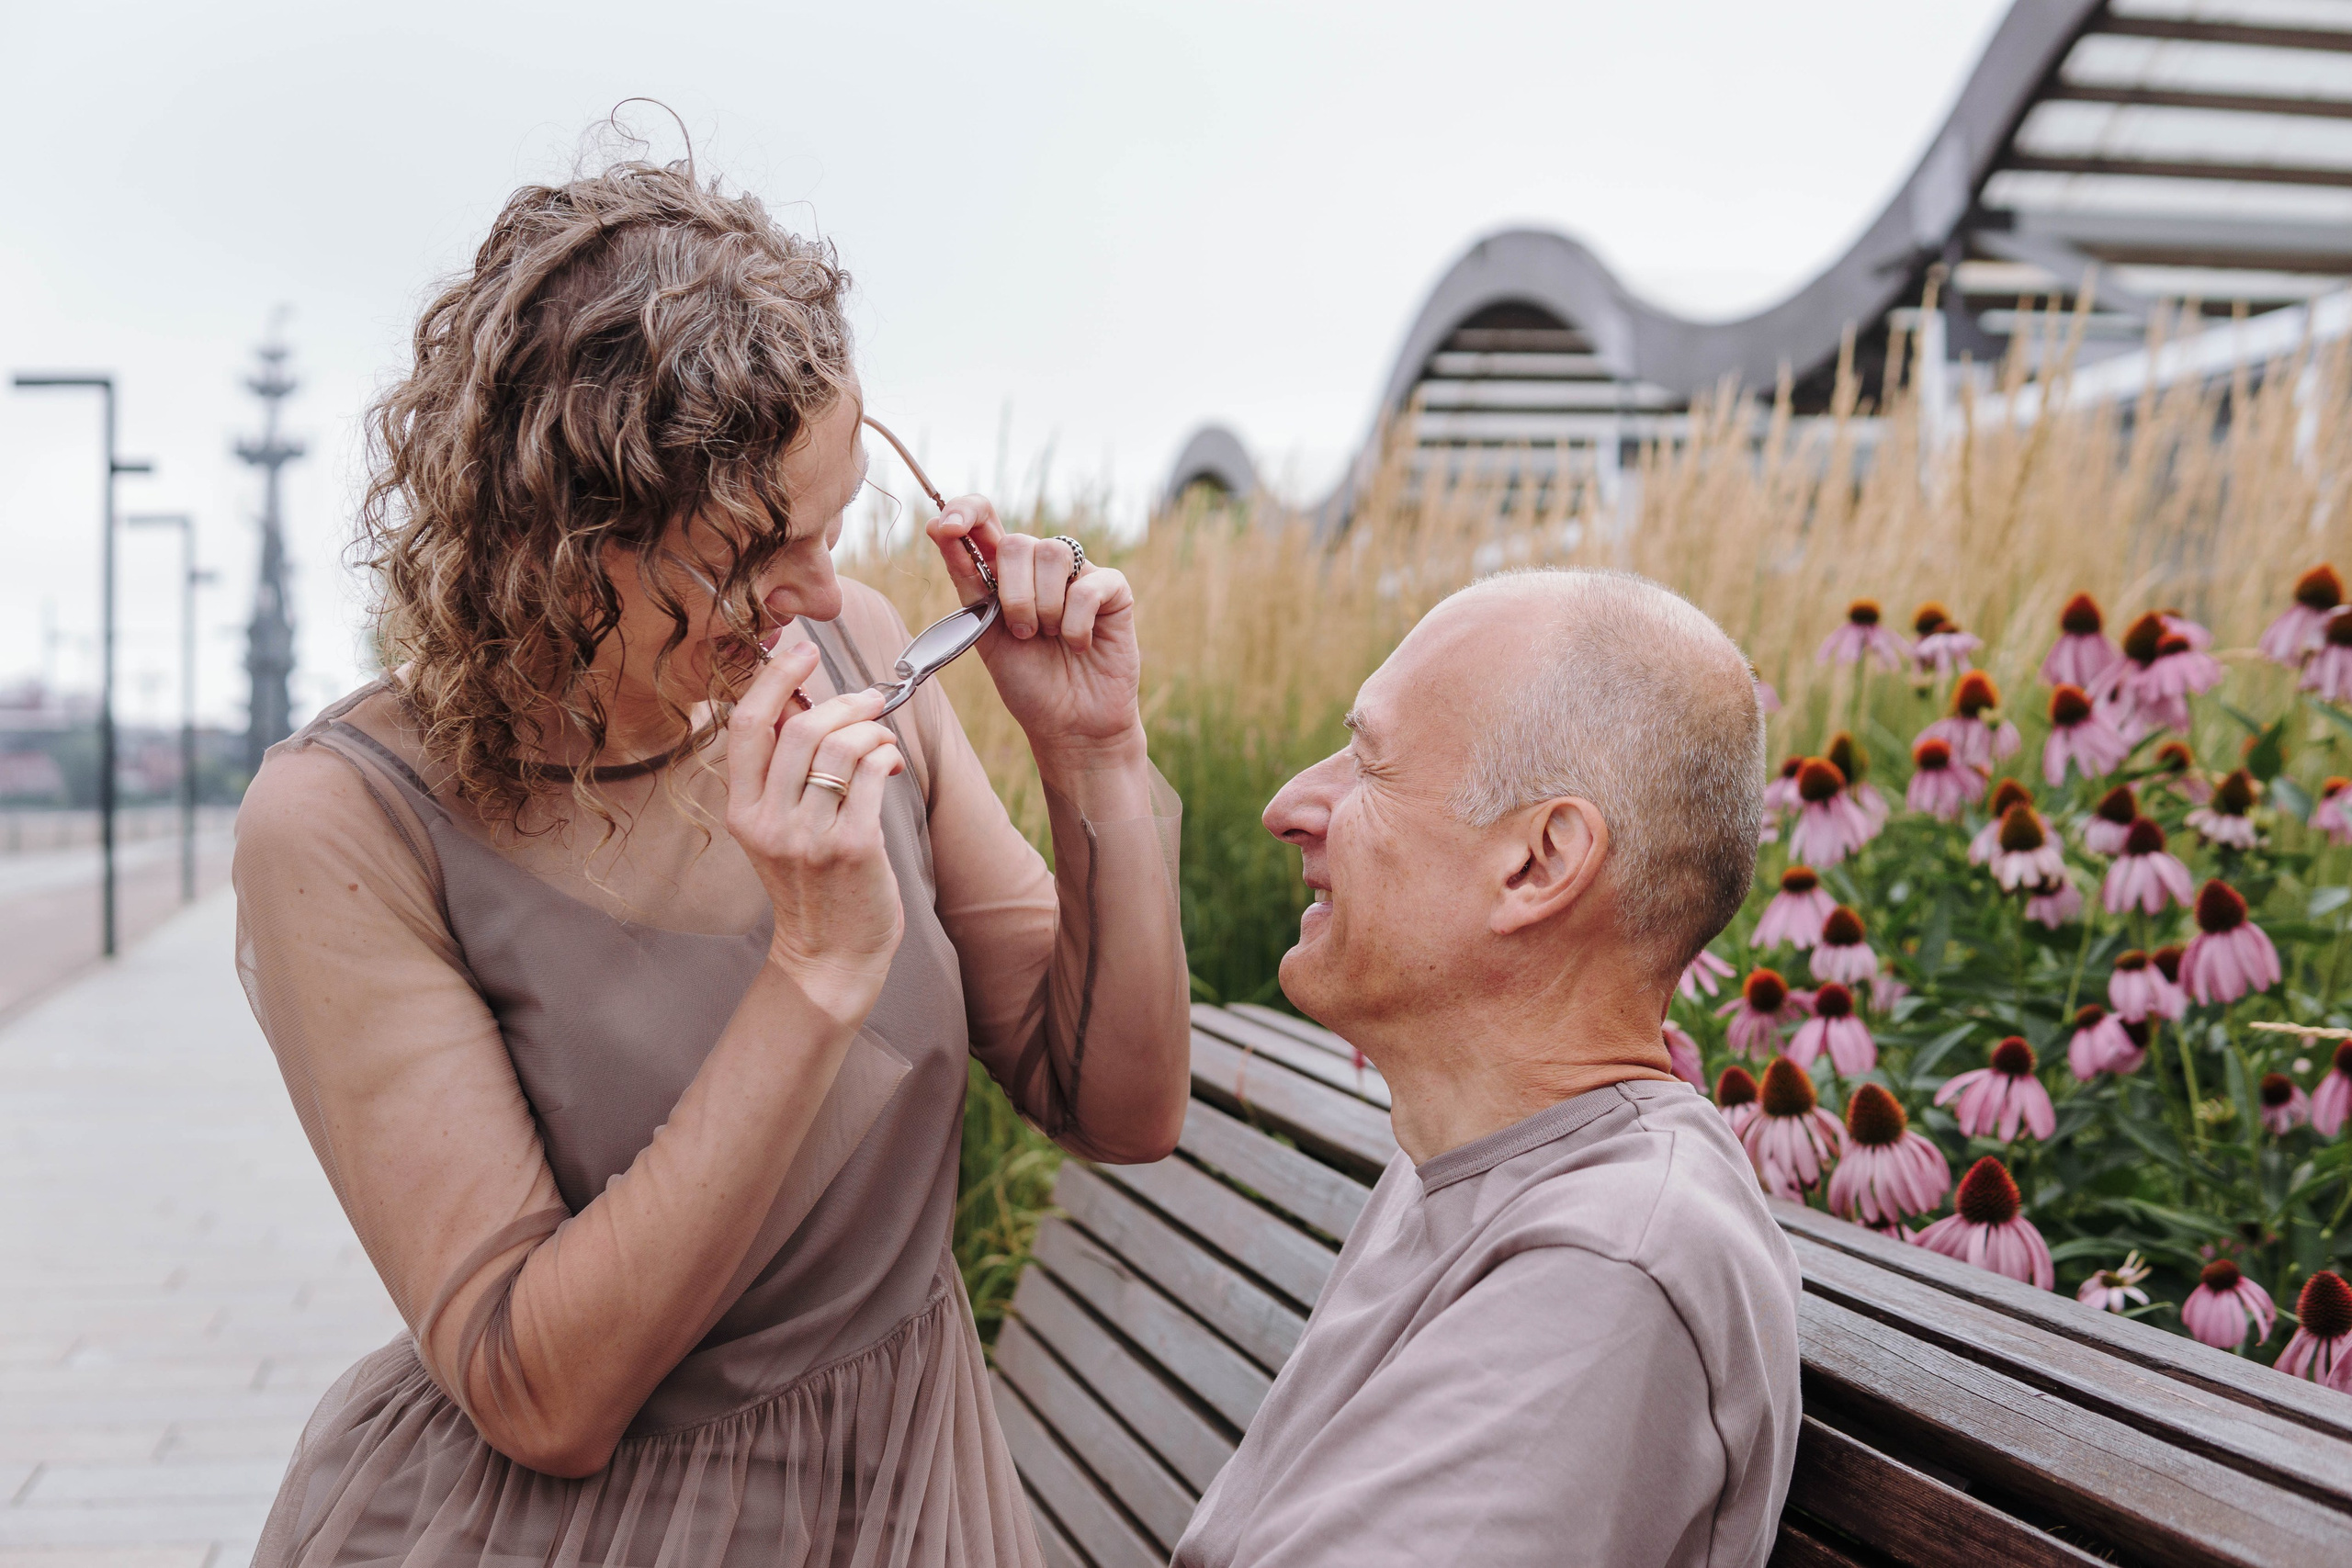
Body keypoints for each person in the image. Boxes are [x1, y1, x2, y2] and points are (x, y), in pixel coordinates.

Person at [232, 156, 1191, 1568]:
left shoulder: (856, 647)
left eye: (835, 520)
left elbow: (1114, 1103)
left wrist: (1094, 754)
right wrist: (813, 968)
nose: (819, 593)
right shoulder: (346, 823)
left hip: (908, 1500)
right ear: (564, 542)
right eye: (756, 550)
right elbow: (534, 1389)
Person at [1172, 569, 1802, 1568]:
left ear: (1540, 862)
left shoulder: (1605, 1269)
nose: (1290, 805)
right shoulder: (1474, 1152)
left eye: (1367, 766)